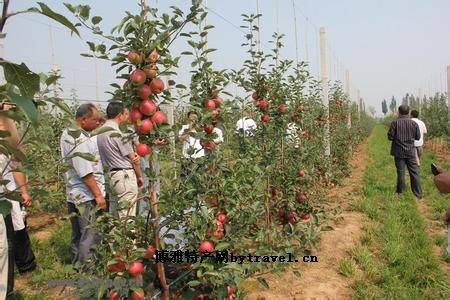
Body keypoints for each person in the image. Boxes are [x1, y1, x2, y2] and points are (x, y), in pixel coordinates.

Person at [60, 103, 107, 267]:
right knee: (89, 234)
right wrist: (98, 195)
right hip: (85, 195)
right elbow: (86, 172)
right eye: (95, 119)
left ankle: (76, 266)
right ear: (83, 119)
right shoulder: (78, 139)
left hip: (74, 193)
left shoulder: (68, 133)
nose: (97, 123)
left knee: (78, 234)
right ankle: (88, 273)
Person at [0, 101, 35, 299]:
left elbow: (18, 156)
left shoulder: (4, 138)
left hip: (4, 198)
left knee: (6, 245)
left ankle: (8, 290)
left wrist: (6, 116)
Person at [97, 102, 143, 219]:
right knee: (127, 215)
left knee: (114, 213)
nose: (127, 117)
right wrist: (139, 176)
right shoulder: (118, 134)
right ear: (119, 115)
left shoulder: (101, 132)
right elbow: (133, 158)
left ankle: (113, 237)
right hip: (124, 176)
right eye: (125, 114)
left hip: (110, 175)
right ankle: (128, 237)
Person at [387, 105, 423, 199]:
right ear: (408, 112)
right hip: (410, 151)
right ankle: (418, 193)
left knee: (401, 172)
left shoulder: (395, 123)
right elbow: (418, 137)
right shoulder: (413, 124)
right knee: (414, 172)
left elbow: (390, 137)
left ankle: (401, 192)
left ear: (398, 112)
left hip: (398, 151)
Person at [178, 111, 204, 178]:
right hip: (186, 156)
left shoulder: (201, 129)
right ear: (188, 118)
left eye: (195, 118)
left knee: (199, 178)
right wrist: (189, 130)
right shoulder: (183, 127)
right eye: (191, 118)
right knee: (185, 178)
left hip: (199, 156)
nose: (193, 119)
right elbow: (180, 139)